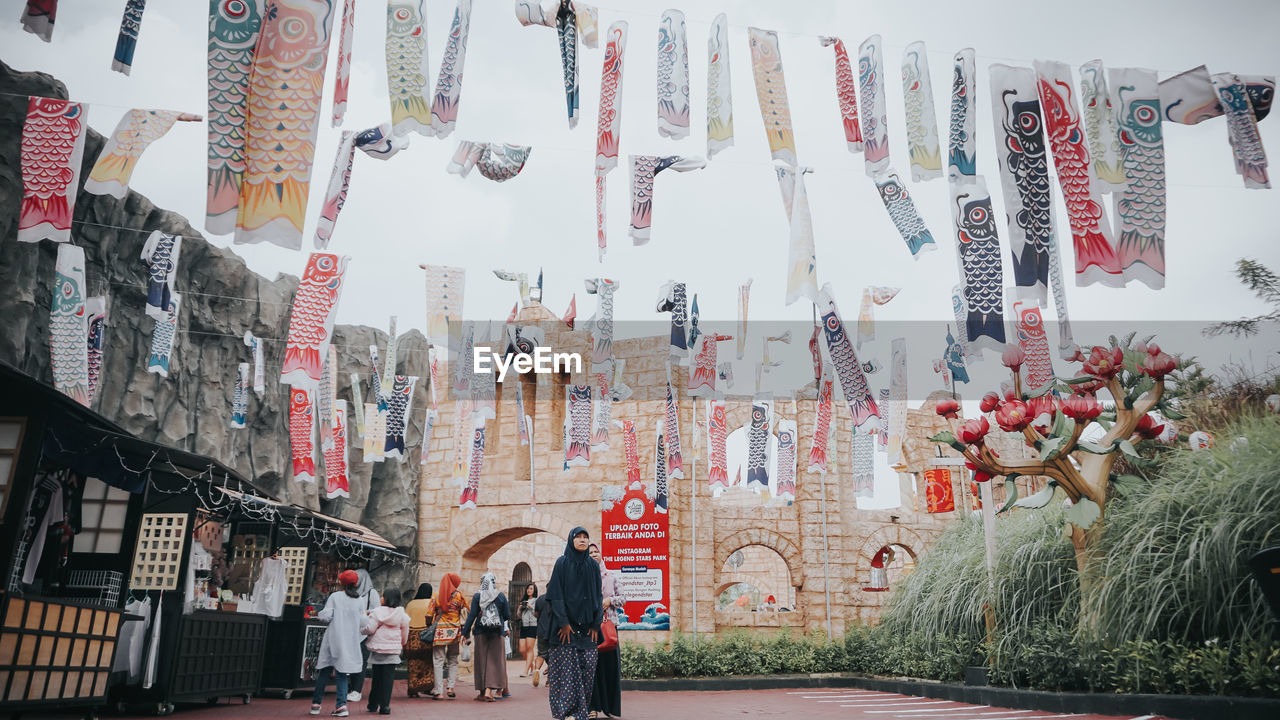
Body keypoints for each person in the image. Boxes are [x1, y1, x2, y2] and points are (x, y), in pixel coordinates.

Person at [546, 527, 603, 720]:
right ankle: (566, 712)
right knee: (567, 673)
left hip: (587, 629)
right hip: (565, 629)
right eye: (578, 537)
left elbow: (598, 595)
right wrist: (563, 622)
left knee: (587, 668)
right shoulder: (562, 563)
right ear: (571, 540)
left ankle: (581, 712)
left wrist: (596, 624)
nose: (582, 540)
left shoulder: (593, 566)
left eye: (585, 537)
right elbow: (555, 595)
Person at [311, 569, 366, 717]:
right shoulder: (359, 600)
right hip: (349, 641)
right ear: (356, 584)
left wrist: (320, 614)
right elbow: (363, 622)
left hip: (333, 639)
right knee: (342, 673)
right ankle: (341, 705)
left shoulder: (335, 597)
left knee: (324, 671)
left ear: (341, 583)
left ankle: (316, 704)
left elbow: (326, 616)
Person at [588, 543, 625, 719]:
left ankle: (609, 707)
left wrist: (610, 600)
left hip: (609, 627)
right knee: (591, 669)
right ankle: (592, 707)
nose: (594, 554)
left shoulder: (611, 576)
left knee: (610, 668)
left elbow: (623, 598)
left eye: (596, 552)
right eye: (591, 552)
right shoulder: (583, 578)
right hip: (589, 629)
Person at [461, 571, 510, 702]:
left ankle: (482, 692)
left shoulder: (478, 596)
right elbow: (507, 615)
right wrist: (496, 617)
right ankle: (489, 691)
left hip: (480, 632)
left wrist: (464, 633)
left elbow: (472, 616)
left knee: (481, 661)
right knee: (494, 661)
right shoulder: (500, 596)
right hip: (496, 632)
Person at [362, 587, 410, 715]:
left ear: (387, 598)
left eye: (383, 596)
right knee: (388, 680)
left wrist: (362, 630)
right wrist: (401, 644)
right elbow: (405, 634)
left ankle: (372, 704)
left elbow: (371, 629)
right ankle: (385, 706)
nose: (381, 598)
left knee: (376, 678)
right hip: (393, 650)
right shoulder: (402, 615)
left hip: (378, 649)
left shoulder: (377, 612)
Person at [345, 569, 381, 703]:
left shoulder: (372, 592)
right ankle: (351, 687)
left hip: (364, 633)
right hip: (350, 631)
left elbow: (377, 610)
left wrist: (367, 612)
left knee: (361, 661)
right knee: (350, 660)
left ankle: (357, 690)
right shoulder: (349, 593)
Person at [429, 572, 465, 700]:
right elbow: (464, 612)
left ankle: (438, 691)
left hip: (440, 631)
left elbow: (429, 613)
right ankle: (450, 687)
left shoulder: (437, 595)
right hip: (454, 631)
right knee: (453, 659)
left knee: (438, 661)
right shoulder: (459, 595)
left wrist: (429, 625)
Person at [403, 583, 434, 698]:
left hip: (412, 636)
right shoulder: (431, 603)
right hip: (426, 636)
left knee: (413, 664)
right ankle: (427, 687)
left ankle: (413, 688)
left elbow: (405, 620)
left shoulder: (411, 604)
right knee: (428, 664)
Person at [517, 583, 539, 679]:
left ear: (534, 590)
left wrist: (531, 606)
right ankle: (532, 666)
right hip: (524, 626)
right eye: (528, 588)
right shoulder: (523, 601)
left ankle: (526, 671)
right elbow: (518, 615)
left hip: (533, 625)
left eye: (531, 588)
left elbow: (537, 614)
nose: (529, 590)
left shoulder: (536, 601)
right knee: (522, 649)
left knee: (529, 648)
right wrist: (519, 608)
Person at [533, 589, 553, 687]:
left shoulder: (540, 599)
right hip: (553, 632)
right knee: (553, 656)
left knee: (541, 653)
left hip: (541, 630)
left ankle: (536, 671)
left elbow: (536, 614)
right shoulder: (557, 599)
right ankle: (549, 680)